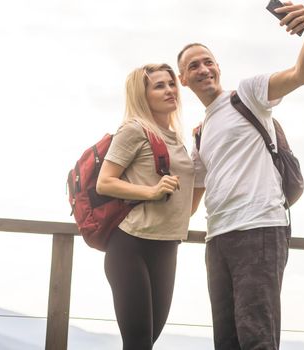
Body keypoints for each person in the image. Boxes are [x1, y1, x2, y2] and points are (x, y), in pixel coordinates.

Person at [178, 2, 304, 350]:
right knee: (226, 341)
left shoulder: (249, 94)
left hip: (259, 228)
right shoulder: (199, 134)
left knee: (257, 337)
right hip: (218, 239)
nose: (203, 68)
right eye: (192, 65)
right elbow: (188, 207)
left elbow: (303, 74)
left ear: (218, 67)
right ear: (183, 79)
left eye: (208, 61)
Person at [96, 63, 195, 350]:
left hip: (167, 246)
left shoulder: (177, 139)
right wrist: (151, 192)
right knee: (138, 343)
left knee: (147, 342)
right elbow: (105, 182)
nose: (170, 90)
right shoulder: (134, 130)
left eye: (171, 83)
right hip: (130, 246)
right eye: (159, 86)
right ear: (143, 95)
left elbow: (187, 197)